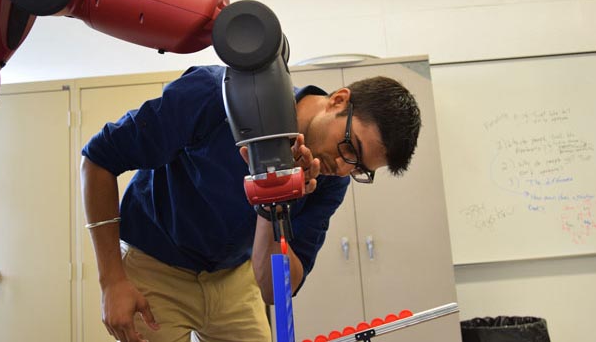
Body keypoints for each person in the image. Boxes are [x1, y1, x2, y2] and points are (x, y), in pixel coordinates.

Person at [80, 65, 421, 342]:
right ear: (338, 101)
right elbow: (98, 159)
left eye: (360, 169)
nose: (344, 168)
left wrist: (273, 202)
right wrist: (111, 281)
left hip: (233, 277)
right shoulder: (216, 96)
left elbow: (274, 288)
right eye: (351, 149)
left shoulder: (329, 178)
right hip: (155, 267)